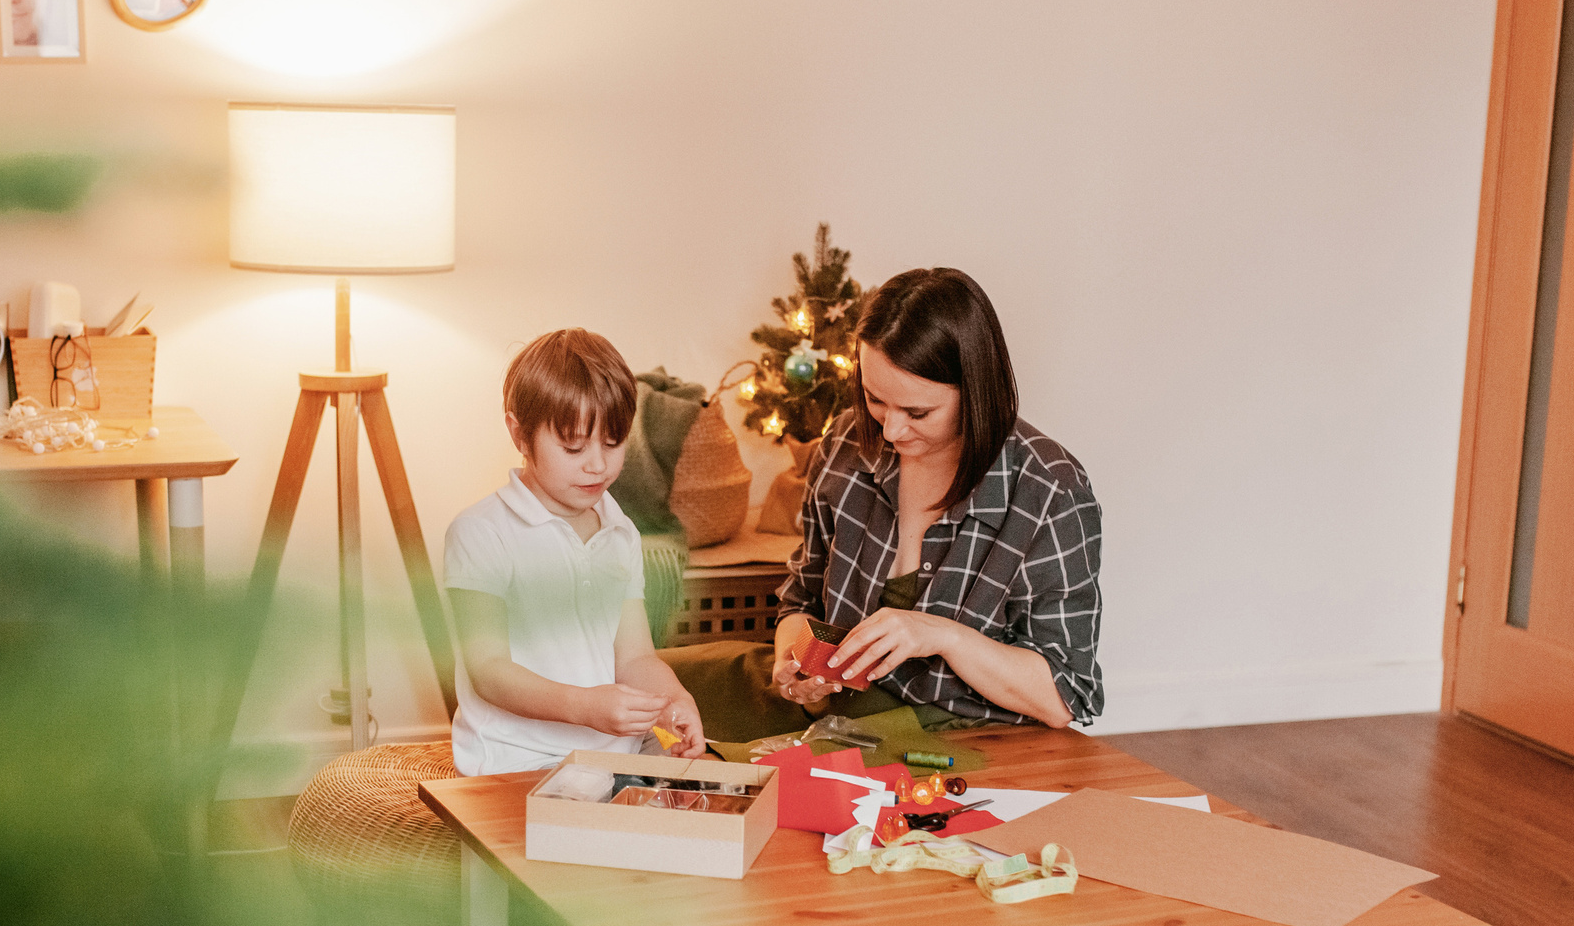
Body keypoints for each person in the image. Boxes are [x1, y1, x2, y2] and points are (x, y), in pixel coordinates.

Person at [671, 267, 1102, 739]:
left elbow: (1063, 695)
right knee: (652, 686)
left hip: (943, 724)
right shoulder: (846, 440)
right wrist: (792, 664)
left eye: (918, 412)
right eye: (875, 400)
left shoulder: (1049, 490)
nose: (891, 431)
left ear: (977, 392)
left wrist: (942, 635)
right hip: (829, 705)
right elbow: (801, 599)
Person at [445, 329, 708, 775]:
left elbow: (636, 658)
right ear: (519, 434)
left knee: (711, 780)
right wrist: (583, 706)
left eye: (613, 442)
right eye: (573, 446)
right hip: (518, 758)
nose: (597, 464)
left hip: (613, 751)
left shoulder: (620, 532)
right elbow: (488, 669)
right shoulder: (481, 532)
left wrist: (674, 700)